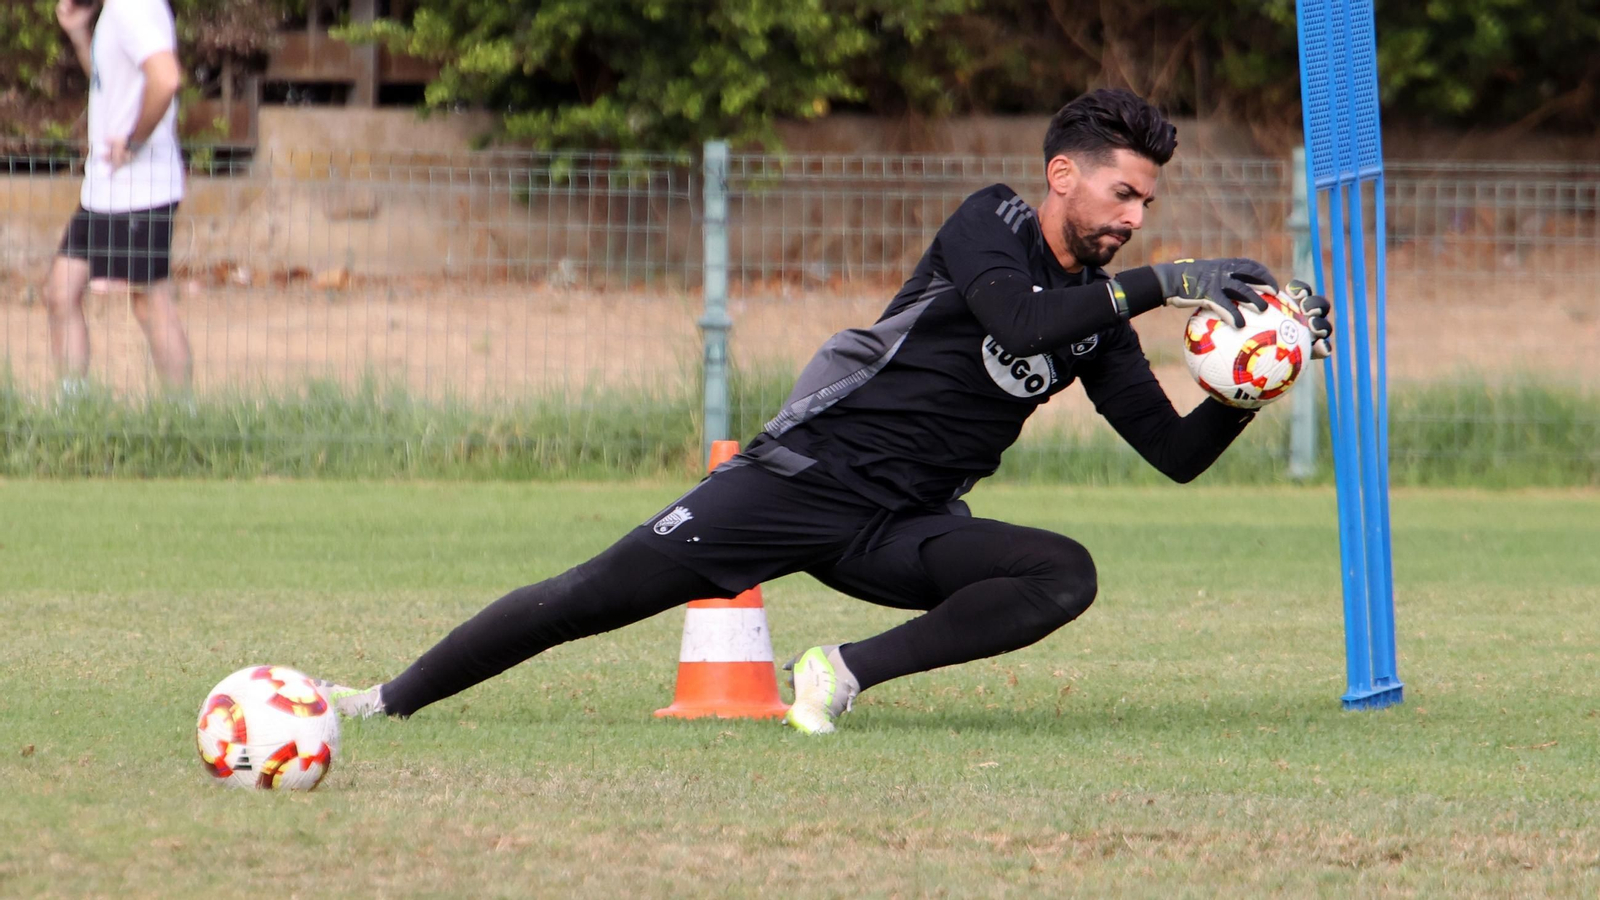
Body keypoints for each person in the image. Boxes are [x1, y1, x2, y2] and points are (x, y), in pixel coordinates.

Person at [320, 88, 1334, 735]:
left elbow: (1174, 451)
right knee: (588, 595)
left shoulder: (1100, 319)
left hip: (904, 526)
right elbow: (1020, 322)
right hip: (801, 480)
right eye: (1122, 194)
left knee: (1060, 573)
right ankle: (384, 701)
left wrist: (1257, 382)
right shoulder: (994, 220)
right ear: (1061, 174)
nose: (1133, 218)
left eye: (1148, 205)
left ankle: (838, 675)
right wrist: (1175, 279)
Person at [47, 0, 191, 393]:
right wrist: (80, 35)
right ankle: (73, 413)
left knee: (149, 302)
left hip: (140, 188)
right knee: (61, 293)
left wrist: (133, 140)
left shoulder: (133, 5)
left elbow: (166, 79)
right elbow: (108, 81)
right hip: (104, 189)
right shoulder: (117, 9)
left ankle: (185, 420)